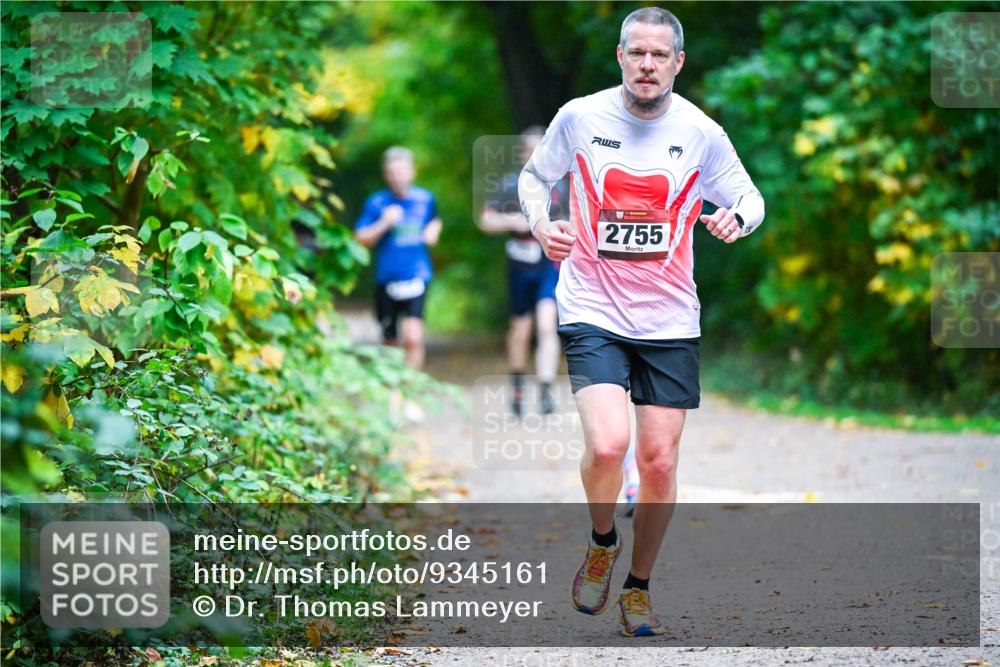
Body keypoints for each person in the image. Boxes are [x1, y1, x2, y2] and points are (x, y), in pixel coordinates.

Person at [518, 7, 764, 636]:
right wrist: (544, 225)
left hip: (670, 317)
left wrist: (738, 219)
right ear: (620, 56)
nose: (647, 65)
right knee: (607, 445)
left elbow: (749, 196)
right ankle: (603, 542)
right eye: (637, 53)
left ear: (678, 62)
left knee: (658, 463)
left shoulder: (701, 132)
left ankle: (638, 586)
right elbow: (533, 177)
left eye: (660, 55)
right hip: (593, 305)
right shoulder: (580, 117)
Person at [478, 127, 566, 416]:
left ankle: (545, 391)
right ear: (522, 155)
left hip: (547, 267)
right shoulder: (510, 184)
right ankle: (517, 386)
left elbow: (576, 222)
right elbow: (485, 220)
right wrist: (512, 221)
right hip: (518, 268)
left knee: (546, 325)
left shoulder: (560, 187)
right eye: (529, 151)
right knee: (520, 330)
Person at [355, 147, 442, 371]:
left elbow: (435, 220)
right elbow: (360, 238)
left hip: (417, 274)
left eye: (402, 172)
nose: (397, 177)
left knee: (413, 337)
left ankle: (411, 391)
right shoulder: (376, 203)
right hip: (387, 279)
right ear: (386, 175)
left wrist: (433, 231)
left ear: (412, 172)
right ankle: (395, 396)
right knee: (390, 342)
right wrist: (384, 223)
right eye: (392, 173)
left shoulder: (425, 199)